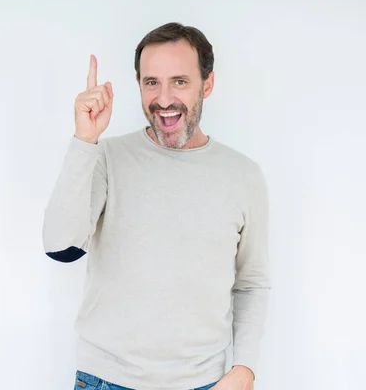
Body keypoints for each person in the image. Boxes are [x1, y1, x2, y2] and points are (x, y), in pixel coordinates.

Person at [42, 22, 271, 390]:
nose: (164, 99)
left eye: (179, 81)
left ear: (207, 84)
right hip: (106, 380)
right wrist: (85, 140)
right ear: (138, 85)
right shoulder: (107, 157)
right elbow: (60, 247)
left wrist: (244, 368)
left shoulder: (243, 175)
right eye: (152, 82)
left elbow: (251, 284)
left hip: (205, 383)